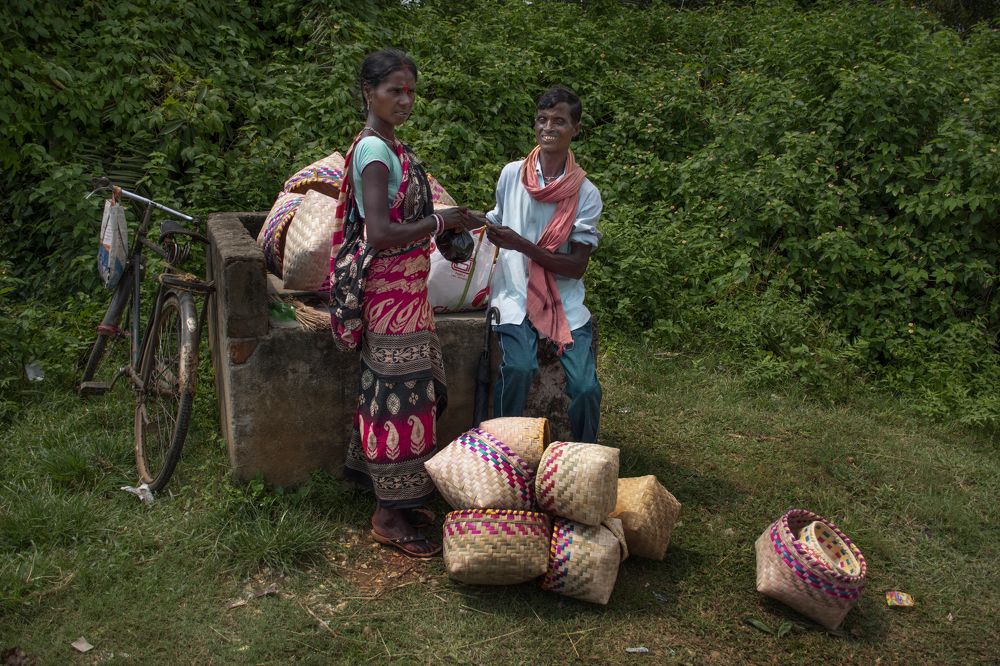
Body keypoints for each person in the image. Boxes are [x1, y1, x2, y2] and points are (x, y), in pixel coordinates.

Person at [331, 49, 476, 558]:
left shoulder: (392, 147)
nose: (405, 100)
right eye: (395, 90)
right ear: (368, 93)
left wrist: (450, 222)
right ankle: (388, 516)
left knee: (405, 395)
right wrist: (443, 223)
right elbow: (381, 231)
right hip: (388, 297)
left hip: (407, 295)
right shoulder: (374, 151)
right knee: (398, 401)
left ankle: (399, 498)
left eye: (411, 91)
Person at [480, 85, 603, 443]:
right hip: (515, 293)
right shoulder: (511, 175)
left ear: (575, 129)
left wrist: (522, 245)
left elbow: (576, 266)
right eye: (542, 119)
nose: (549, 127)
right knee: (518, 368)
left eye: (560, 121)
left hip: (564, 303)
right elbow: (496, 222)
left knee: (585, 388)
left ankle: (584, 457)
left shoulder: (586, 194)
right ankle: (503, 451)